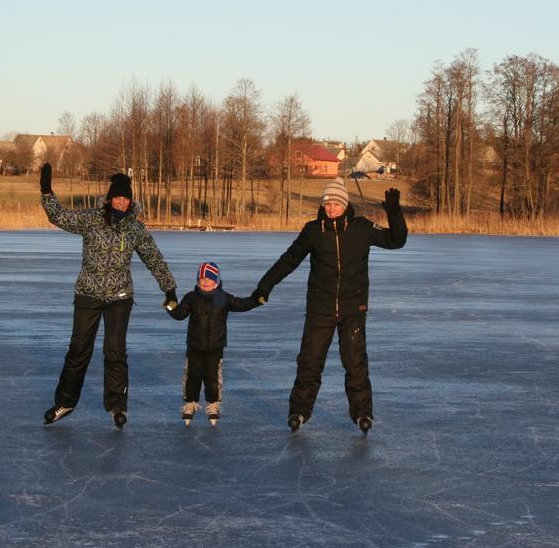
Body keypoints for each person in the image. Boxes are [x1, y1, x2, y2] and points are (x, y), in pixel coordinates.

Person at [252, 178, 407, 433]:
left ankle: (362, 414)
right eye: (327, 204)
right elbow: (288, 260)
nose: (331, 208)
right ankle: (299, 412)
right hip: (320, 308)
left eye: (336, 203)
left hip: (353, 308)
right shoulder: (313, 231)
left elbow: (396, 240)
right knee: (309, 361)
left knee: (355, 362)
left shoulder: (362, 228)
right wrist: (264, 286)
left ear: (345, 205)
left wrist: (394, 213)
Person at [39, 163, 177, 429]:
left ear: (130, 201)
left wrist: (169, 288)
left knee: (115, 352)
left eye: (126, 198)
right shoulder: (91, 220)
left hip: (120, 297)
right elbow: (59, 217)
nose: (122, 202)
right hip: (88, 294)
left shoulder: (134, 229)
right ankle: (65, 402)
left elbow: (153, 258)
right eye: (118, 197)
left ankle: (117, 406)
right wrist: (46, 190)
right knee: (79, 350)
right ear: (109, 198)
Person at [166, 261, 260, 426]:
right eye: (202, 278)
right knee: (192, 376)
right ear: (197, 280)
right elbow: (180, 314)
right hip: (194, 345)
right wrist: (170, 303)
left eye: (209, 278)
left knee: (212, 377)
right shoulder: (191, 297)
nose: (205, 281)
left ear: (216, 280)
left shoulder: (222, 298)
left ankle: (213, 404)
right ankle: (190, 403)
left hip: (215, 346)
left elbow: (241, 304)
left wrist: (256, 300)